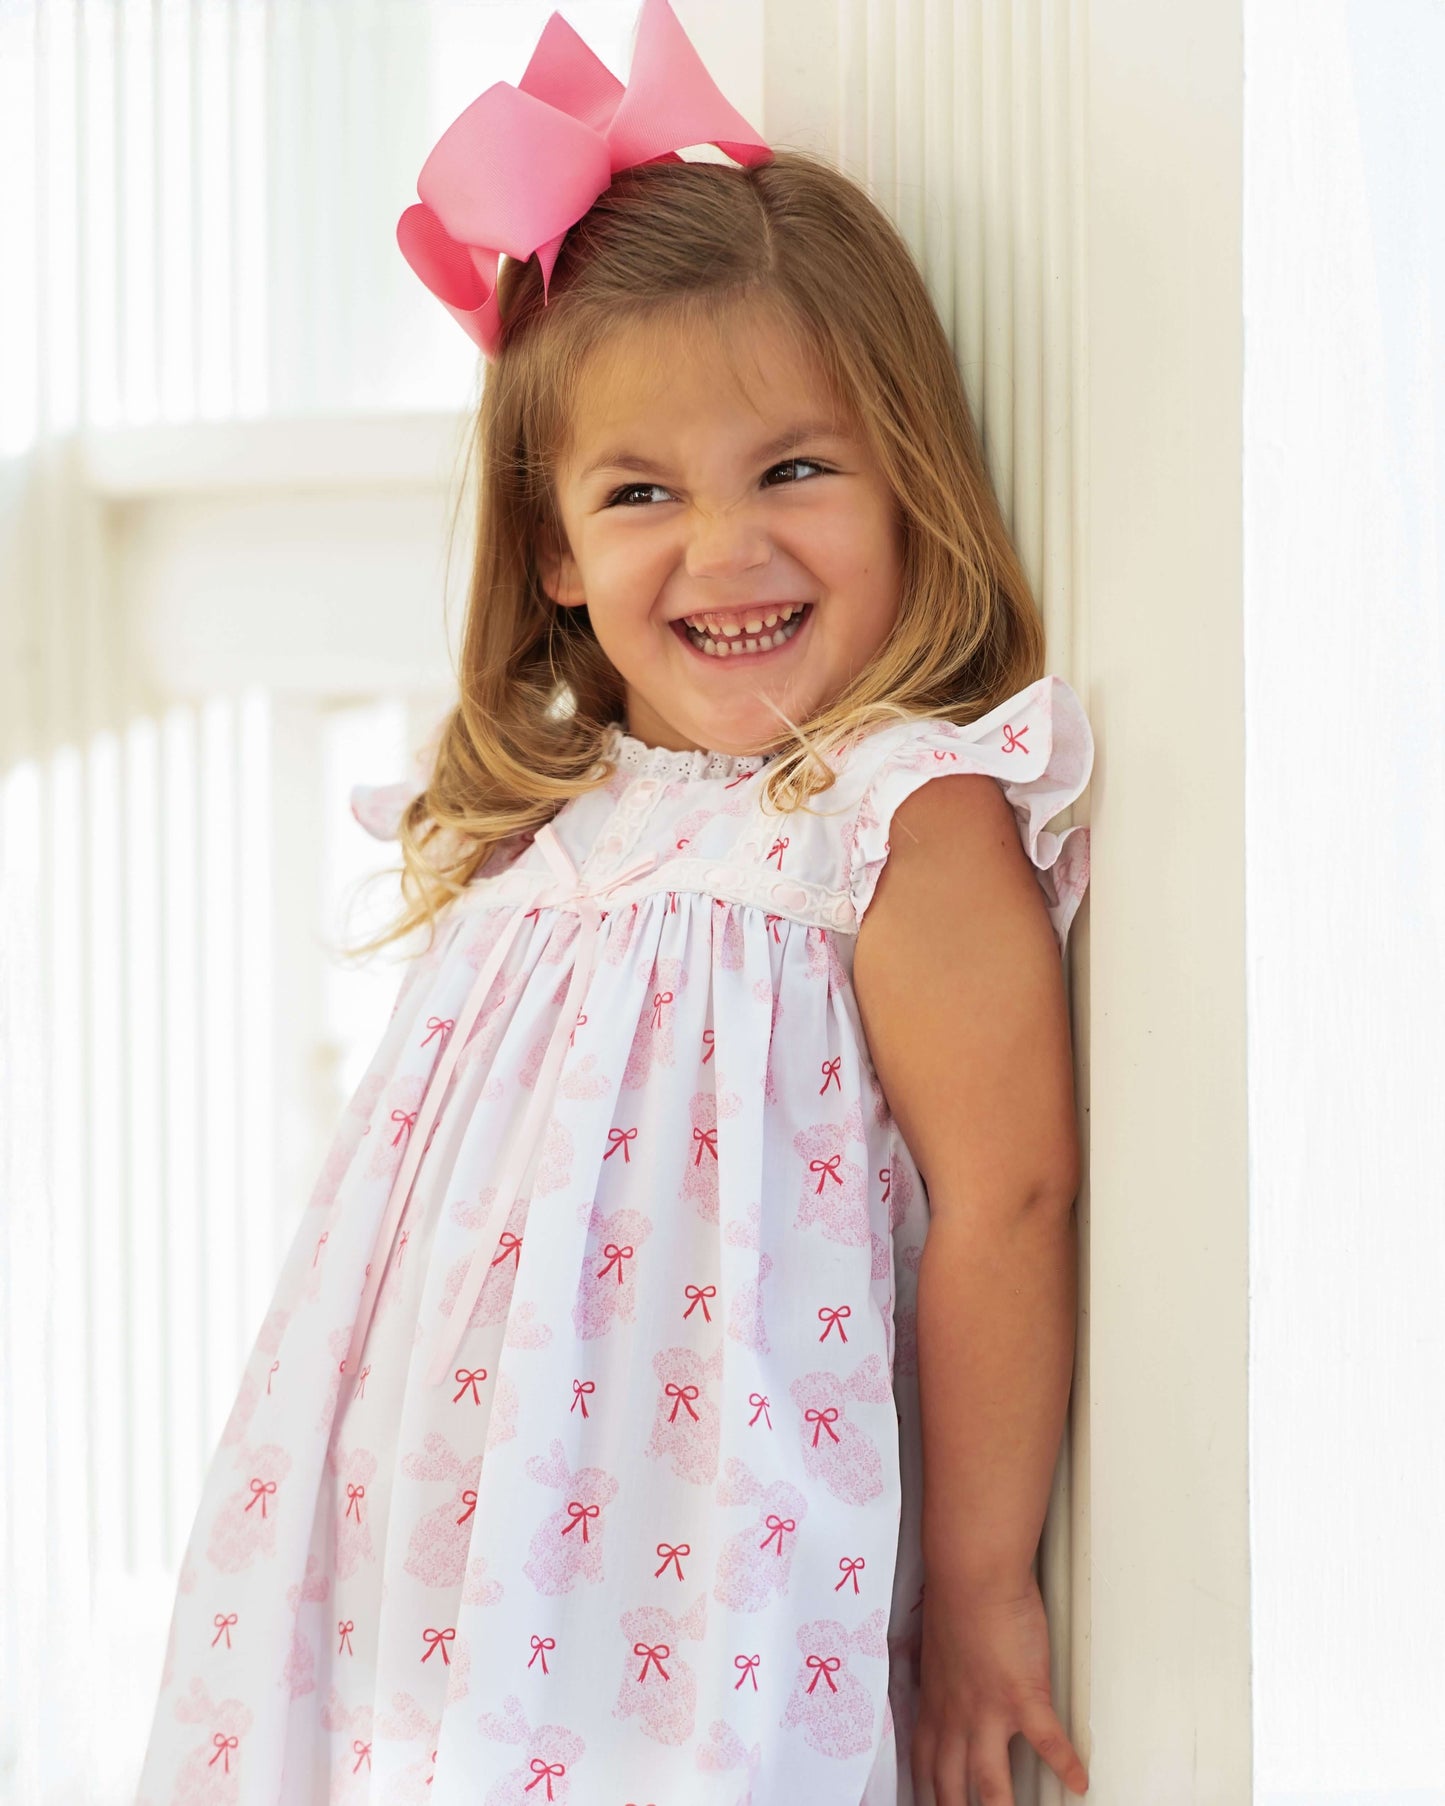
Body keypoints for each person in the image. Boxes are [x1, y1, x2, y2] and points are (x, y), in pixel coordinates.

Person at [134, 3, 1094, 1802]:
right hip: (446, 1576)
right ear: (556, 546)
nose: (723, 552)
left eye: (794, 469)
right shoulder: (547, 817)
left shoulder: (895, 819)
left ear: (911, 474)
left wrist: (979, 1589)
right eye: (640, 492)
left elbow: (1009, 1197)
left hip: (697, 1584)